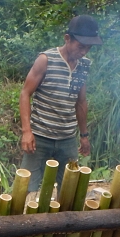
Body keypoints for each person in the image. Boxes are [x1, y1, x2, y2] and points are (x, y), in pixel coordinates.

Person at [19, 15, 103, 193]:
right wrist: (27, 131)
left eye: (88, 48)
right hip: (40, 136)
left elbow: (80, 102)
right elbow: (25, 93)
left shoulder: (84, 65)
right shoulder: (46, 59)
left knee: (68, 187)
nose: (84, 52)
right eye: (81, 46)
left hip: (67, 139)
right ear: (67, 38)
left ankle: (62, 221)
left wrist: (84, 135)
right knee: (27, 187)